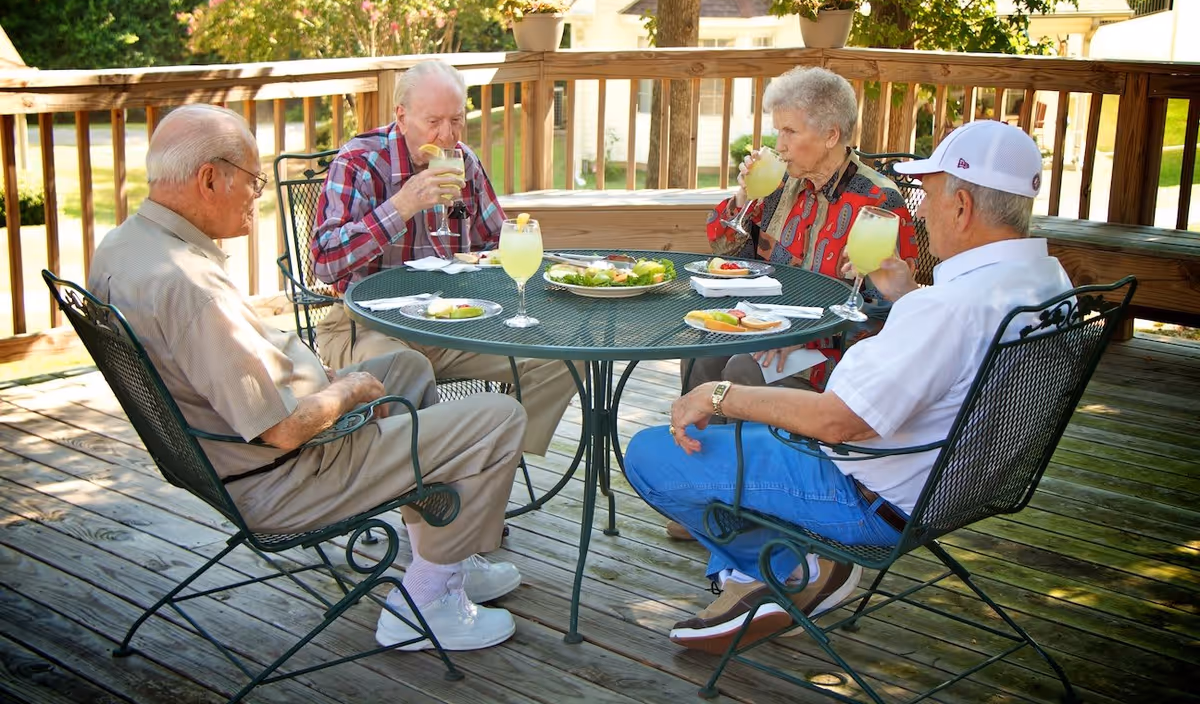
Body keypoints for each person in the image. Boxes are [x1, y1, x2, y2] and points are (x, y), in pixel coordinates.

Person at [89, 103, 527, 652]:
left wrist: (319, 378)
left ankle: (443, 553)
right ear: (208, 180)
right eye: (251, 179)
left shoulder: (127, 246)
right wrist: (344, 390)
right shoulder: (190, 289)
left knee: (406, 368)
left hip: (222, 459)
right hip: (286, 479)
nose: (258, 194)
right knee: (499, 417)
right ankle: (426, 603)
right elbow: (284, 431)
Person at [625, 120, 1072, 656]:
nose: (922, 212)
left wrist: (717, 396)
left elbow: (837, 421)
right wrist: (908, 294)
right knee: (726, 419)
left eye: (929, 197)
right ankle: (770, 571)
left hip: (864, 496)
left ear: (963, 207)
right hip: (961, 489)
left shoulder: (951, 308)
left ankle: (793, 569)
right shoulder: (1049, 284)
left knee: (650, 452)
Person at [311, 59, 578, 456]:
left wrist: (514, 252)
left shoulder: (463, 163)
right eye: (433, 122)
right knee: (402, 366)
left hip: (451, 321)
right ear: (401, 116)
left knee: (561, 358)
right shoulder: (360, 162)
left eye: (456, 121)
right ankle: (424, 492)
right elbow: (324, 261)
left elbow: (495, 243)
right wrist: (402, 205)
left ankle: (489, 467)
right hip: (364, 326)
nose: (447, 135)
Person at [688, 66, 918, 396]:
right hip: (765, 325)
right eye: (777, 131)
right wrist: (743, 197)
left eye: (790, 132)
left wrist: (801, 338)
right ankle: (696, 446)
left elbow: (888, 313)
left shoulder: (879, 201)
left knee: (743, 369)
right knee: (703, 354)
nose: (779, 145)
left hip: (836, 350)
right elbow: (723, 251)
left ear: (830, 135)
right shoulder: (778, 184)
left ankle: (752, 448)